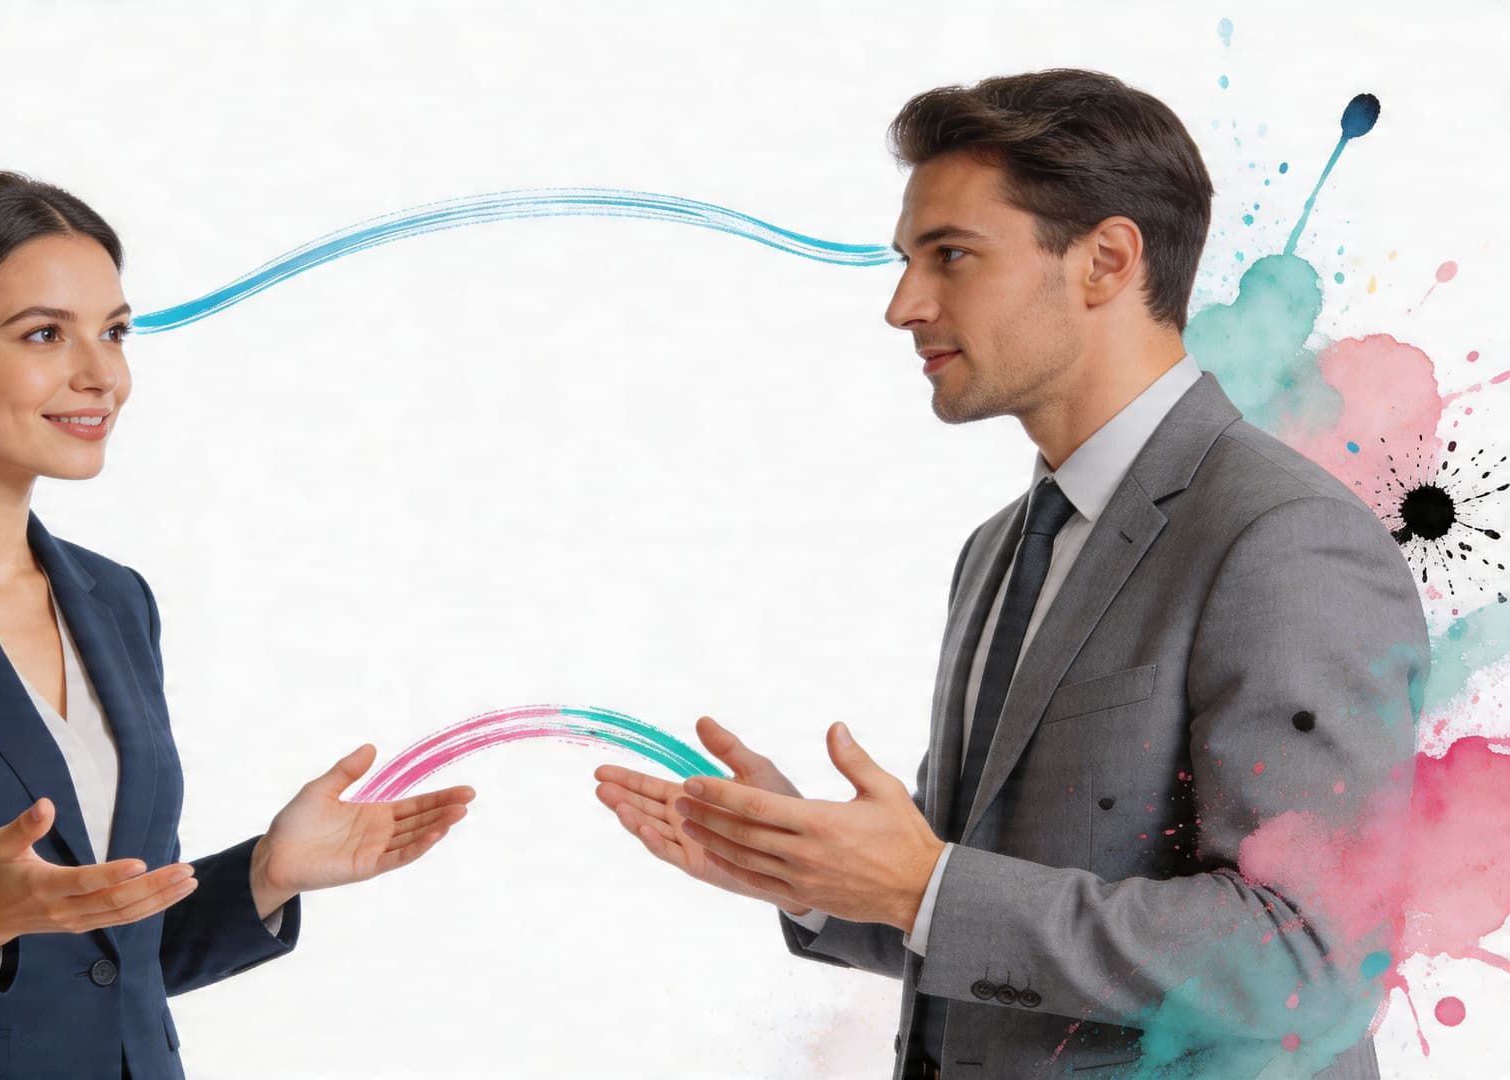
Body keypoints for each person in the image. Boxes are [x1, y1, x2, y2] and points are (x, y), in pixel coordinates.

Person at [596, 70, 1426, 1079]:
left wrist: (922, 887)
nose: (904, 305)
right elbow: (986, 910)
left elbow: (1312, 963)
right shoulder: (1001, 548)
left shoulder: (1285, 538)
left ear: (1105, 261)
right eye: (908, 261)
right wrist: (811, 867)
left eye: (951, 256)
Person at [0, 171, 475, 1079]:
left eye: (115, 331)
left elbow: (98, 962)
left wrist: (264, 874)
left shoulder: (115, 600)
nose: (102, 375)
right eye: (45, 334)